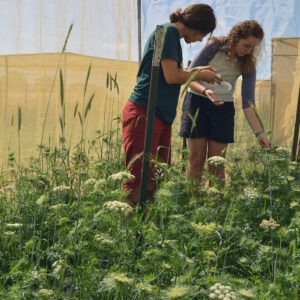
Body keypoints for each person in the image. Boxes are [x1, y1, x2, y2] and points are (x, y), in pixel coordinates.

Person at [122, 4, 220, 207]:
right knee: (139, 178)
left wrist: (198, 68)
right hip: (145, 111)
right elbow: (172, 76)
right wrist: (200, 74)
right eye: (202, 34)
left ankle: (149, 225)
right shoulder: (168, 33)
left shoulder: (171, 35)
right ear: (196, 26)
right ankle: (130, 228)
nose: (201, 39)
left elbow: (169, 71)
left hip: (160, 114)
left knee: (158, 174)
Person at [179, 20, 271, 187]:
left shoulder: (248, 63)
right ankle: (192, 206)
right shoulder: (213, 47)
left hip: (223, 109)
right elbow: (189, 77)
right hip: (197, 102)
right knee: (196, 160)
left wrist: (260, 134)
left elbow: (248, 103)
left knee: (217, 164)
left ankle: (216, 210)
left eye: (253, 47)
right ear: (236, 37)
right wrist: (205, 91)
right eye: (246, 45)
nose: (249, 50)